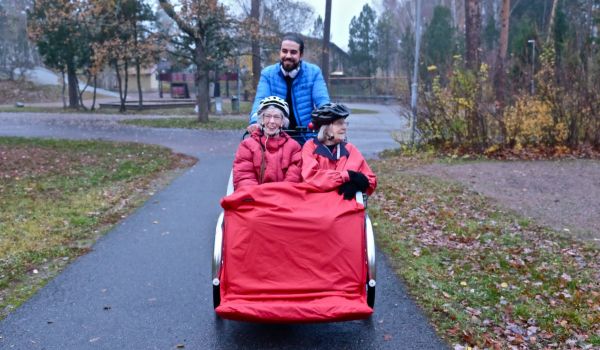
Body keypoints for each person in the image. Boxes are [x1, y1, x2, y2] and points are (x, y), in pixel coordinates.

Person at [248, 33, 330, 143]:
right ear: (280, 52)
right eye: (284, 51)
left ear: (301, 55)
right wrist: (255, 121)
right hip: (276, 136)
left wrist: (328, 119)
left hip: (305, 137)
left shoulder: (313, 72)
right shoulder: (268, 74)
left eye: (293, 52)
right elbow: (260, 100)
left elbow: (322, 101)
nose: (288, 56)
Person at [301, 103, 377, 199]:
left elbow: (370, 179)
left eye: (345, 123)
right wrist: (347, 176)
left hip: (343, 204)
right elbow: (312, 176)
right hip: (315, 201)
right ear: (325, 127)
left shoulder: (350, 149)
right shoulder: (310, 147)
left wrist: (359, 184)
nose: (344, 127)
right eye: (339, 123)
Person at [233, 96, 302, 190]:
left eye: (277, 117)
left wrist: (278, 197)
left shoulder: (294, 147)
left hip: (284, 198)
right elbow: (244, 177)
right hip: (256, 199)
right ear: (261, 119)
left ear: (283, 122)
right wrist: (258, 197)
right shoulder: (247, 145)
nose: (272, 121)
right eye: (268, 116)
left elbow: (294, 179)